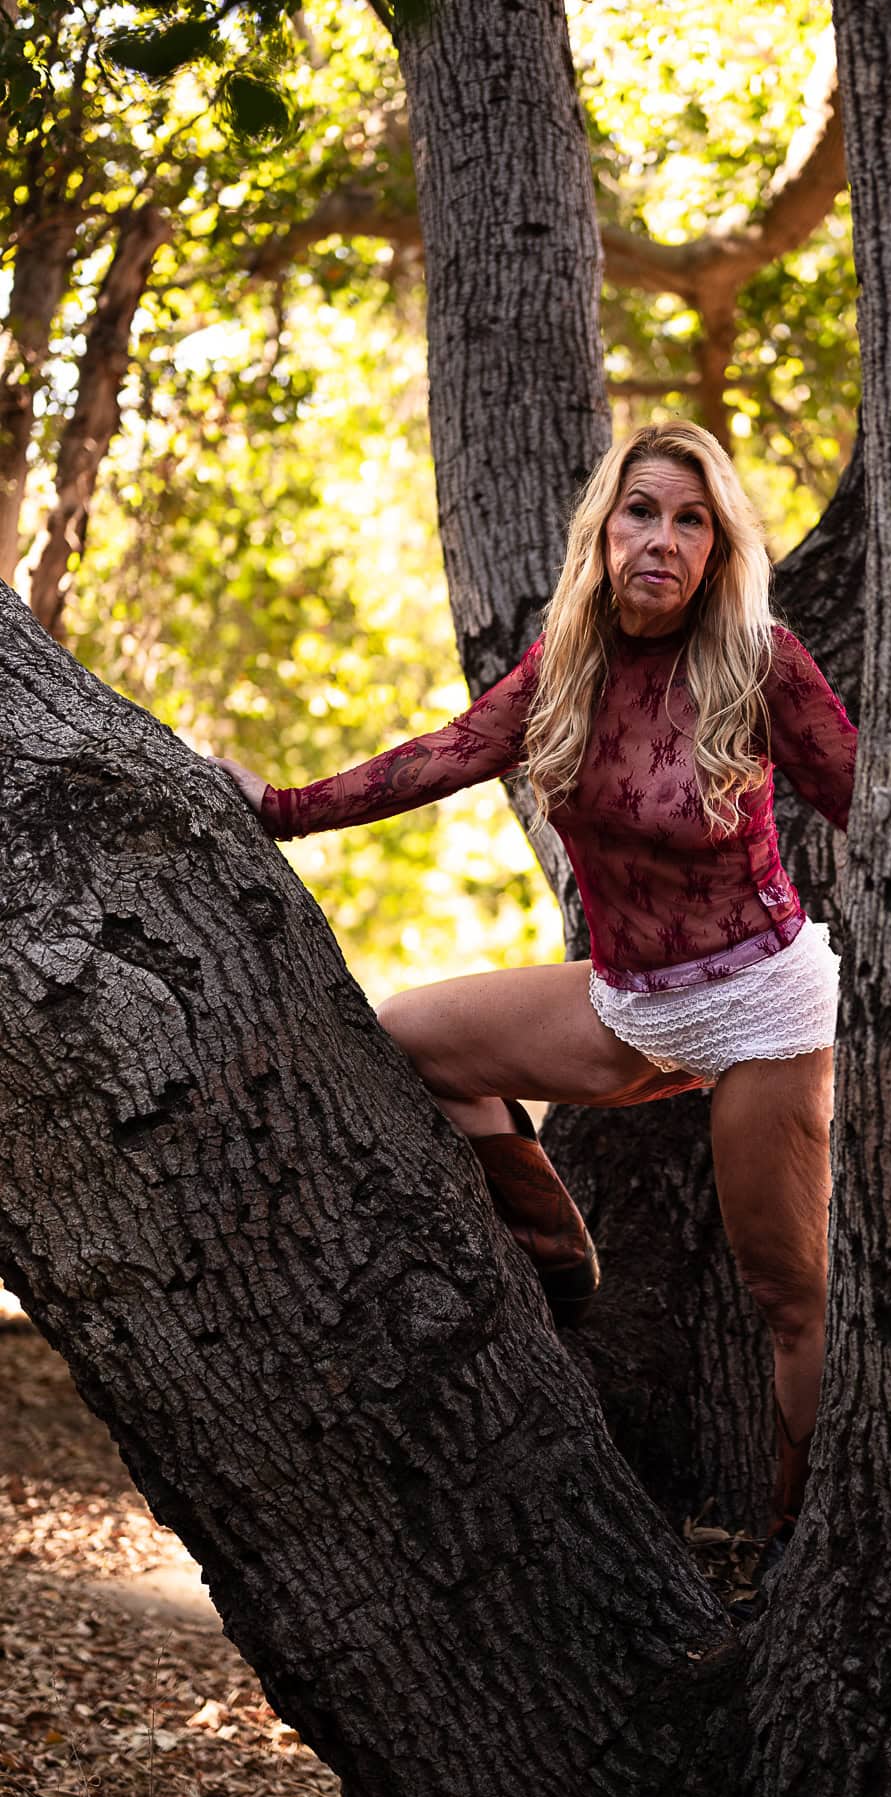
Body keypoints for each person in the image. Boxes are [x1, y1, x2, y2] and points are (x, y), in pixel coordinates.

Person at [215, 420, 857, 1559]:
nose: (660, 537)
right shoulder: (566, 661)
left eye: (689, 518)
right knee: (405, 1037)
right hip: (626, 1001)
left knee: (784, 1292)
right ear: (604, 530)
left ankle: (795, 1546)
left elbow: (874, 805)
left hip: (763, 1004)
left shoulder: (761, 660)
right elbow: (441, 753)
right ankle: (554, 1254)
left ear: (716, 546)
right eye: (640, 510)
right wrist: (279, 807)